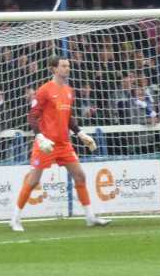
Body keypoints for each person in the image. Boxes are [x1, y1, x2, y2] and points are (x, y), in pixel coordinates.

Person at [10, 56, 108, 232]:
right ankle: (15, 219)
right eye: (63, 66)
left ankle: (90, 217)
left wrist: (80, 133)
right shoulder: (44, 90)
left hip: (64, 144)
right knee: (33, 180)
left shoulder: (69, 90)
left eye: (68, 65)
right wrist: (39, 137)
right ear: (54, 69)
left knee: (80, 176)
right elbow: (32, 116)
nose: (67, 68)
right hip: (46, 143)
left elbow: (68, 116)